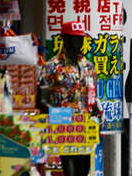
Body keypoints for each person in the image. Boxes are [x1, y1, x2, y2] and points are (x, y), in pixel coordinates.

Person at [39, 22, 100, 176]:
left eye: (81, 39)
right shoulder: (52, 66)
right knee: (70, 169)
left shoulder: (88, 66)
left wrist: (97, 110)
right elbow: (41, 99)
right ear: (64, 39)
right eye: (75, 38)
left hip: (85, 127)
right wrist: (57, 116)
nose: (79, 43)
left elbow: (93, 94)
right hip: (64, 127)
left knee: (84, 169)